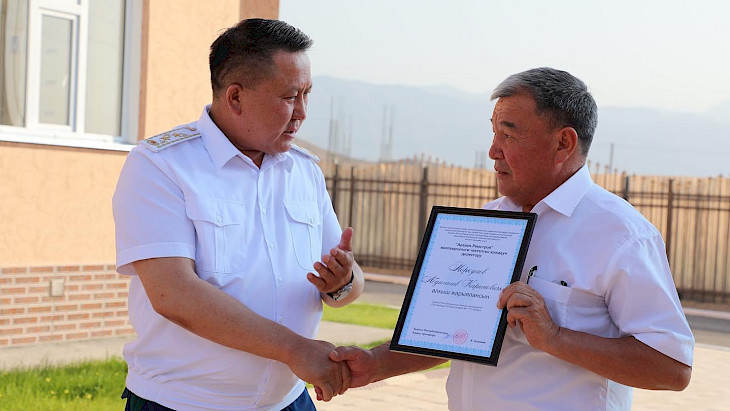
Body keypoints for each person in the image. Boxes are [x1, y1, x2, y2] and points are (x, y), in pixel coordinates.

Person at [331, 67, 694, 410]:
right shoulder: (484, 221)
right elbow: (449, 332)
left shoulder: (621, 235)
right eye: (493, 133)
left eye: (508, 135)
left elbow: (672, 368)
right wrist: (375, 364)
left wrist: (555, 337)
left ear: (563, 143)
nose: (493, 151)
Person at [112, 18, 363, 410]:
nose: (302, 112)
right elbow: (173, 293)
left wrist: (343, 282)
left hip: (287, 401)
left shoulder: (304, 171)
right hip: (185, 403)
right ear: (235, 98)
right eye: (289, 97)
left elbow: (346, 284)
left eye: (307, 95)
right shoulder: (161, 165)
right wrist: (295, 349)